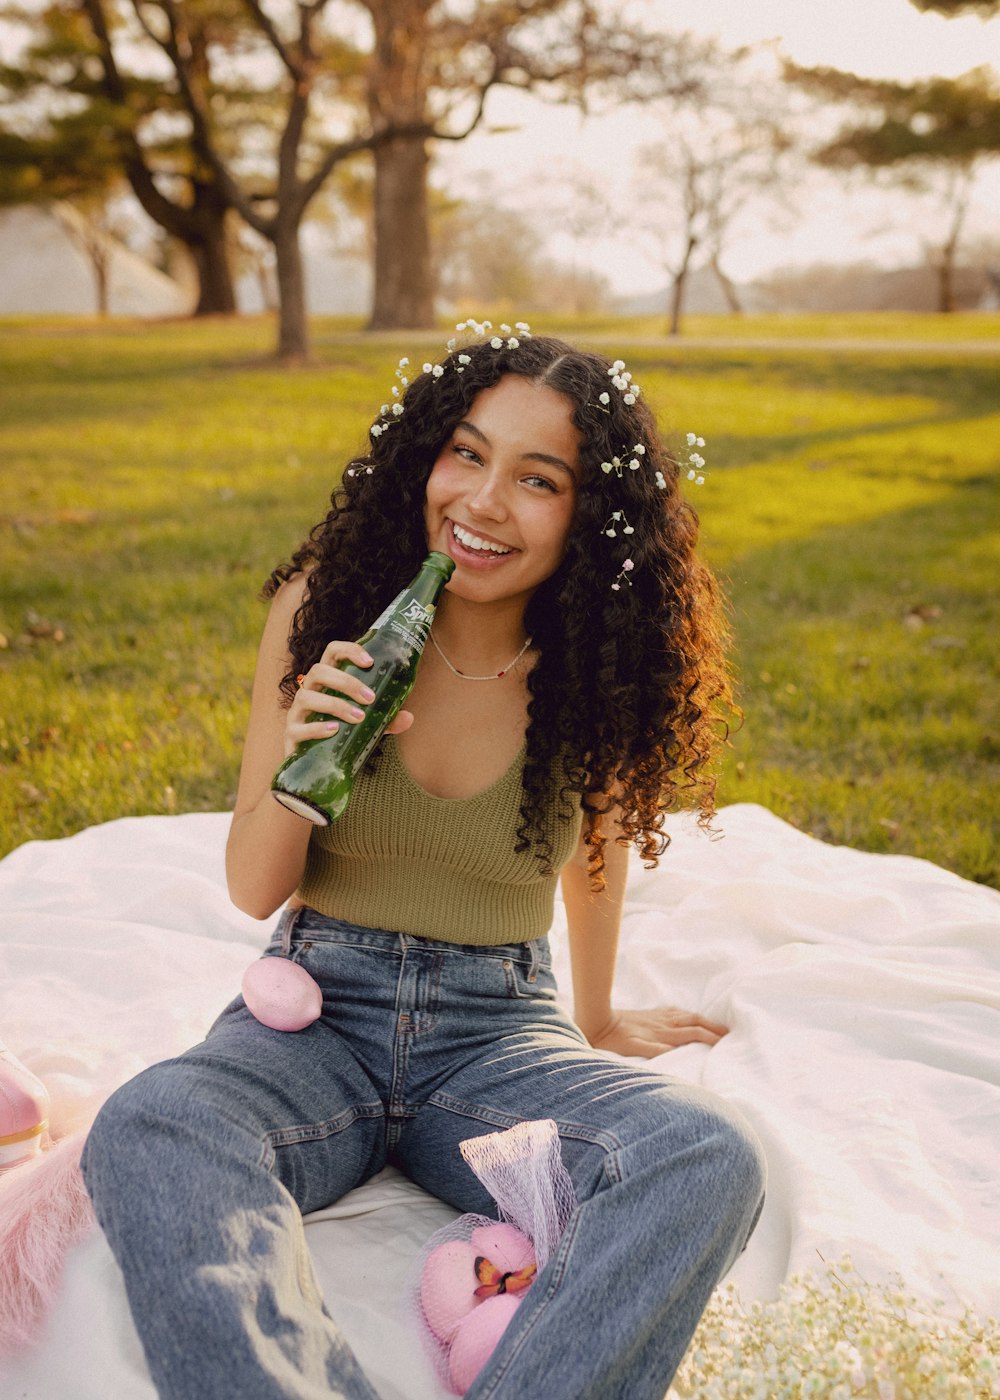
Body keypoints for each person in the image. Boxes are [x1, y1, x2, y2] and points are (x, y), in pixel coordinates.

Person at [81, 322, 766, 1400]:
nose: (483, 502)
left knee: (705, 1153)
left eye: (536, 479)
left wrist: (596, 1015)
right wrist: (309, 748)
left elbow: (595, 853)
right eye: (465, 452)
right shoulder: (328, 608)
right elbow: (254, 885)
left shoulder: (594, 654)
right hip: (315, 1015)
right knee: (153, 1121)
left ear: (588, 513)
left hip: (495, 1034)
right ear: (422, 458)